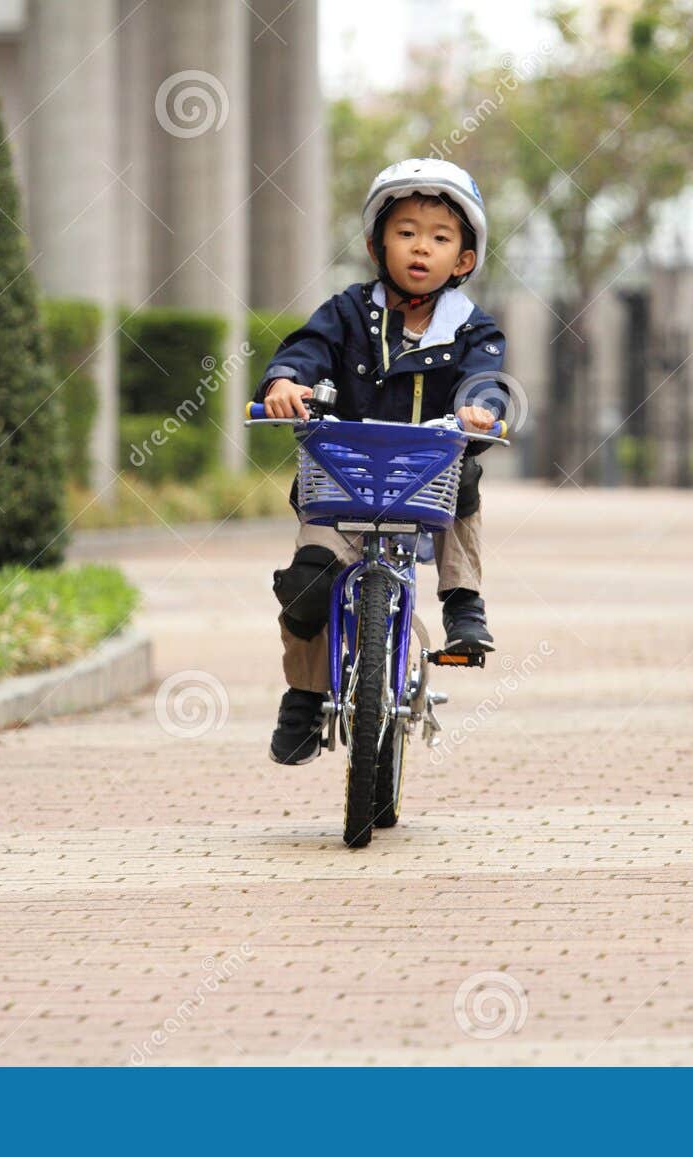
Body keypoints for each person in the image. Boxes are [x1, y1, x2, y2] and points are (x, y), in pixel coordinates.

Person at [253, 157, 509, 766]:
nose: (422, 247)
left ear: (463, 261)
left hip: (427, 475)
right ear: (377, 245)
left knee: (464, 476)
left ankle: (463, 602)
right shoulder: (345, 312)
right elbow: (307, 349)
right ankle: (303, 695)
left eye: (441, 238)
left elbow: (485, 379)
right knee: (307, 586)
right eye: (406, 232)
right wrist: (286, 381)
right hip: (341, 478)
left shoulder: (472, 326)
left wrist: (478, 408)